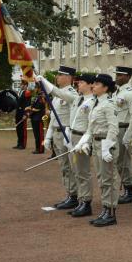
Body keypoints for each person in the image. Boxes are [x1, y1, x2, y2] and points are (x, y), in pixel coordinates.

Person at [38, 72, 95, 217]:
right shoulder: (78, 100)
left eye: (81, 82)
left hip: (82, 139)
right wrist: (62, 136)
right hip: (71, 137)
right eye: (78, 82)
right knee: (74, 170)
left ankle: (84, 201)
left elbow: (92, 124)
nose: (78, 85)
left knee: (82, 172)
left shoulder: (89, 100)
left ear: (90, 85)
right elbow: (70, 119)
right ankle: (77, 198)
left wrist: (44, 81)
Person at [73, 74, 120, 227]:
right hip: (97, 142)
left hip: (107, 144)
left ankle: (110, 212)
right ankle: (106, 209)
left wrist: (107, 147)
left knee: (109, 178)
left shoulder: (109, 104)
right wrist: (83, 141)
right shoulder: (96, 103)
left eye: (97, 84)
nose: (93, 86)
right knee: (101, 177)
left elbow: (113, 127)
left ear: (105, 87)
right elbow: (91, 127)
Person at [38, 66, 78, 209]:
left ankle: (74, 195)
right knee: (64, 167)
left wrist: (45, 83)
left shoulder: (72, 93)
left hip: (65, 134)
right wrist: (48, 137)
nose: (57, 77)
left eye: (60, 75)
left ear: (68, 77)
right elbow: (54, 117)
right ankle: (69, 193)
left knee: (70, 167)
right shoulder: (58, 95)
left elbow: (60, 94)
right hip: (56, 133)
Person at [113, 66, 132, 204]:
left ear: (128, 77)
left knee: (124, 161)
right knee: (118, 161)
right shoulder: (117, 92)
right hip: (116, 129)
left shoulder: (130, 93)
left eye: (120, 75)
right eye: (117, 74)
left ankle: (130, 190)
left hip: (123, 129)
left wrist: (128, 135)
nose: (117, 77)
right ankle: (127, 188)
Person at [27, 86, 45, 154]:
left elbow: (39, 108)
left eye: (36, 88)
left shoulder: (41, 97)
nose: (35, 89)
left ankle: (41, 149)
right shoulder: (37, 97)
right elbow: (33, 106)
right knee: (36, 135)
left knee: (40, 135)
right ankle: (37, 148)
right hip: (34, 118)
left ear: (39, 88)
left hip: (39, 118)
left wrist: (31, 109)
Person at [14, 80, 30, 150]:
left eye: (21, 84)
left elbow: (27, 104)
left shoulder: (27, 93)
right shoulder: (20, 92)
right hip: (18, 112)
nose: (20, 85)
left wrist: (25, 114)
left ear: (25, 85)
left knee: (23, 129)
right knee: (18, 128)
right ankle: (19, 143)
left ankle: (23, 144)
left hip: (23, 112)